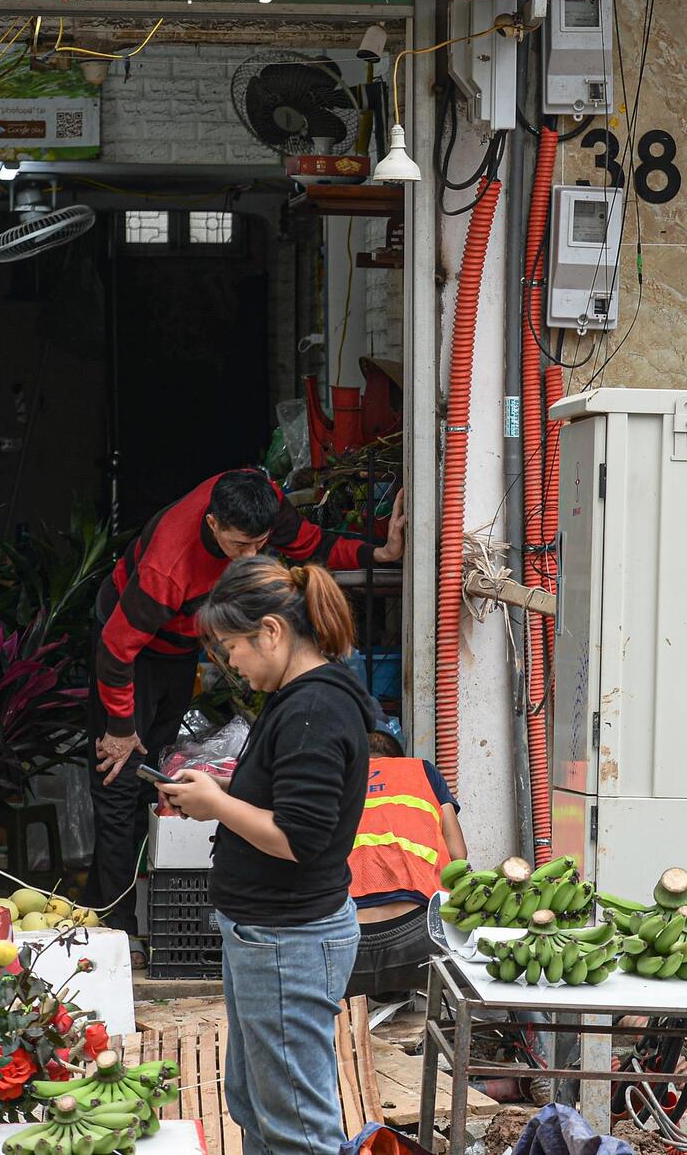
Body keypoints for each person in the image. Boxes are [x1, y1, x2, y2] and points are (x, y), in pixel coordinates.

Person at [89, 468, 403, 933]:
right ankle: (114, 922)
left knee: (150, 771)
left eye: (261, 544)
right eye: (241, 546)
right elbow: (116, 650)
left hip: (177, 646)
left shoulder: (264, 502)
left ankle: (139, 910)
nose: (251, 556)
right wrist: (119, 728)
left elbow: (310, 543)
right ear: (213, 524)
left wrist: (380, 552)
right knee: (118, 777)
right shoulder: (166, 565)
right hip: (128, 649)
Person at [158, 557, 371, 1155]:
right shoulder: (299, 698)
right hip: (270, 934)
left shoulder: (313, 710)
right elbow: (288, 806)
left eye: (232, 647)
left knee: (298, 1126)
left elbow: (298, 838)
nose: (230, 663)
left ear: (272, 631)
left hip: (289, 939)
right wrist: (216, 795)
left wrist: (219, 806)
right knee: (258, 1103)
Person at [345, 719, 466, 1002]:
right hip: (418, 941)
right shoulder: (421, 771)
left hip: (342, 948)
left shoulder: (335, 777)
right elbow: (458, 854)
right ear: (398, 759)